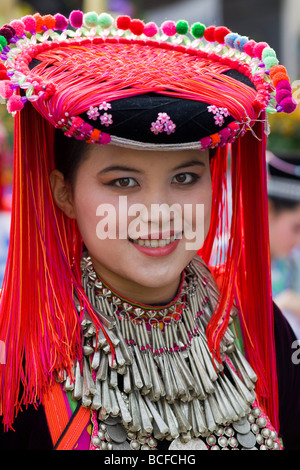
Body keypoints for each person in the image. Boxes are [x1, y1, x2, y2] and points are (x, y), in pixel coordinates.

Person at [0, 10, 299, 451]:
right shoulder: (26, 353)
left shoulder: (255, 325)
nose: (158, 214)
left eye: (185, 178)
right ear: (63, 193)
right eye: (123, 182)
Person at [267, 151, 300, 338]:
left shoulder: (292, 262)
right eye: (296, 228)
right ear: (269, 208)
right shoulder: (225, 255)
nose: (298, 241)